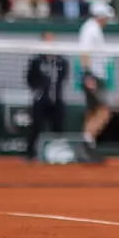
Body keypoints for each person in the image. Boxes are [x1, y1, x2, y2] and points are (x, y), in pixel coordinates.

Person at [79, 0, 116, 161]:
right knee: (104, 111)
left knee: (93, 111)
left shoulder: (94, 29)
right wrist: (88, 76)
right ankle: (87, 144)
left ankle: (88, 147)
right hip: (93, 76)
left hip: (96, 76)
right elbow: (84, 53)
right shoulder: (90, 29)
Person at [25, 31, 68, 161]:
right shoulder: (36, 61)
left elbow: (64, 77)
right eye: (47, 40)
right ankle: (31, 154)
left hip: (56, 99)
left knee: (58, 127)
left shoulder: (61, 61)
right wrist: (38, 90)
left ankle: (59, 154)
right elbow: (29, 78)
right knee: (36, 126)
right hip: (40, 99)